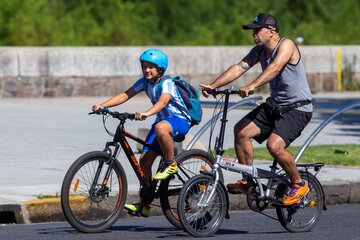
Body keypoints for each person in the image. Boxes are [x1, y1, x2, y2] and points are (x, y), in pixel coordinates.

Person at [200, 13, 313, 206]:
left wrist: (252, 85)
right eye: (252, 30)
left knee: (274, 145)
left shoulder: (287, 45)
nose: (253, 34)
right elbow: (238, 68)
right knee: (241, 131)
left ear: (271, 31)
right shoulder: (259, 51)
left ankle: (299, 184)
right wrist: (213, 85)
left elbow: (276, 67)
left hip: (297, 108)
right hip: (275, 106)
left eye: (257, 30)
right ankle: (249, 179)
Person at [92, 48, 191, 216]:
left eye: (151, 67)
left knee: (160, 128)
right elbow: (125, 95)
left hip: (179, 120)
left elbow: (163, 101)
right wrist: (103, 105)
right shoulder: (145, 82)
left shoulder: (166, 82)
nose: (147, 70)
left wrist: (147, 112)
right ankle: (145, 204)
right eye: (144, 66)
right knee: (144, 162)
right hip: (161, 122)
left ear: (160, 70)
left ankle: (171, 164)